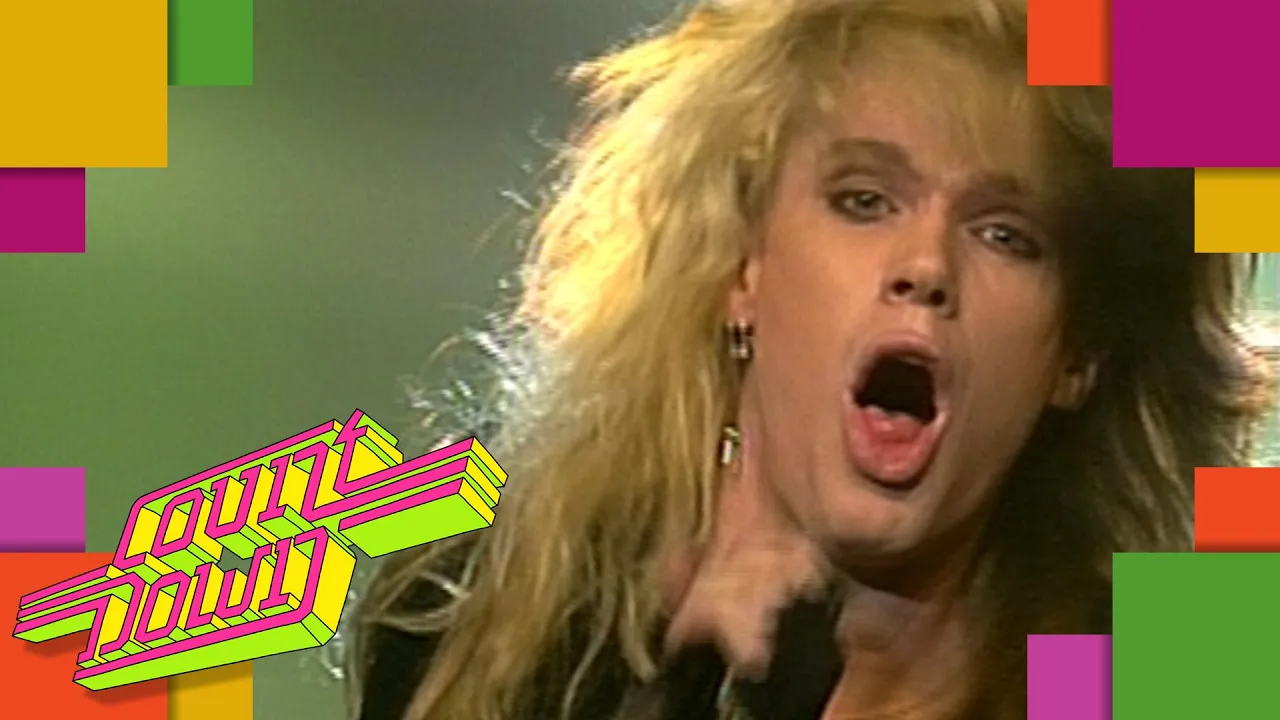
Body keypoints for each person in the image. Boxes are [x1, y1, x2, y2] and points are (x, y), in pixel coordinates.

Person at [347, 0, 1275, 718]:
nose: (925, 267)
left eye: (1006, 235)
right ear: (743, 267)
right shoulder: (487, 622)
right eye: (864, 201)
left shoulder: (1157, 683)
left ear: (1077, 354)